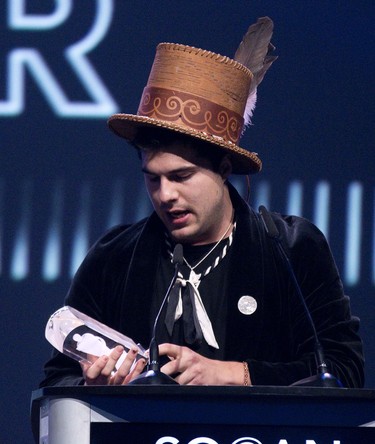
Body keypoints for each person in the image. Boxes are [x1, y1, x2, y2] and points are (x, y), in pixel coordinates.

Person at [40, 18, 364, 389]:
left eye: (181, 177)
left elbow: (343, 370)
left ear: (224, 168)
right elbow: (54, 388)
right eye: (152, 178)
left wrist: (234, 374)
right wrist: (91, 389)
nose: (165, 195)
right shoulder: (113, 259)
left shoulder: (289, 249)